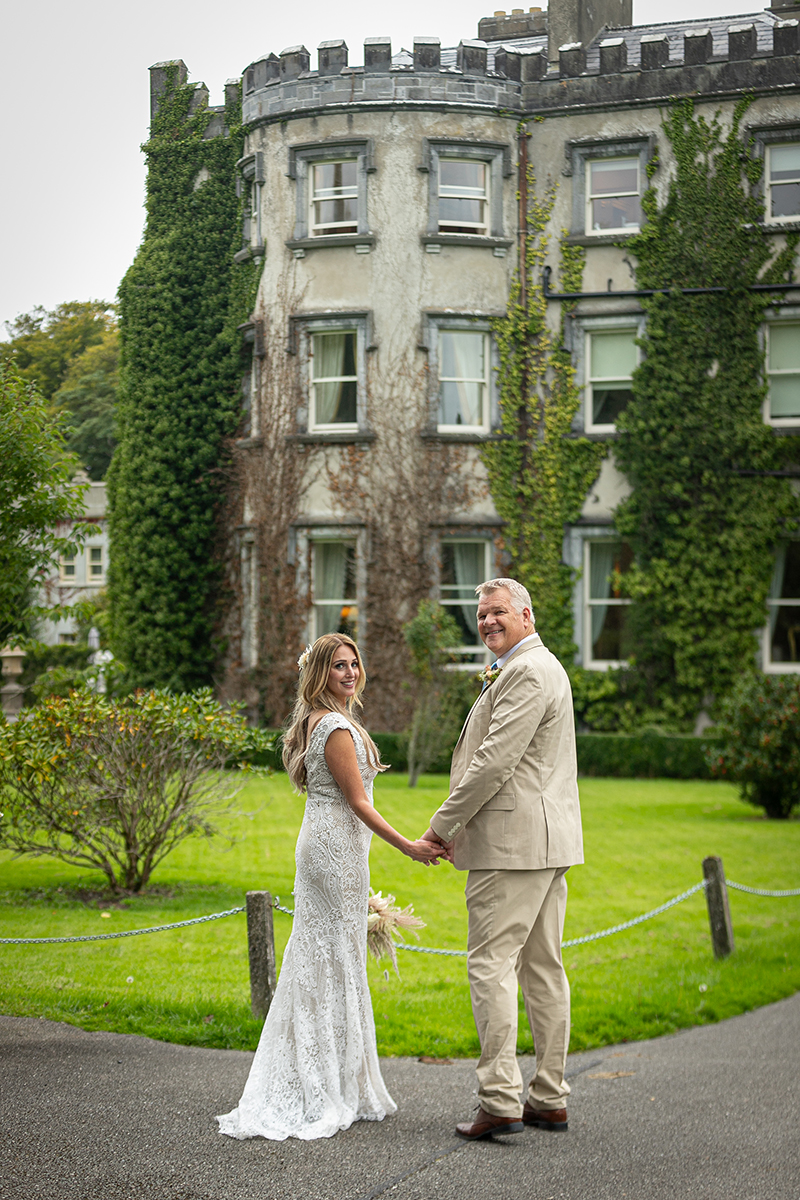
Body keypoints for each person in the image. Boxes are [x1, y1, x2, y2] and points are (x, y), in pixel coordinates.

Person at [217, 632, 441, 1142]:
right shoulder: (335, 726)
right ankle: (322, 1085)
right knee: (332, 954)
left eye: (354, 663)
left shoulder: (319, 720)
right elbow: (358, 802)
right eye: (339, 665)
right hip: (334, 848)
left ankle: (328, 1075)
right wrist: (409, 846)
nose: (350, 672)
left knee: (325, 953)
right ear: (320, 673)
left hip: (329, 844)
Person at [422, 578, 583, 1140]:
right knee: (542, 968)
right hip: (545, 842)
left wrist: (442, 826)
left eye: (498, 613)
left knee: (491, 964)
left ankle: (500, 1099)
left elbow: (493, 763)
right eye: (482, 614)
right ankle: (548, 1097)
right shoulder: (535, 667)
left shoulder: (527, 670)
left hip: (513, 846)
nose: (488, 621)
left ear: (527, 615)